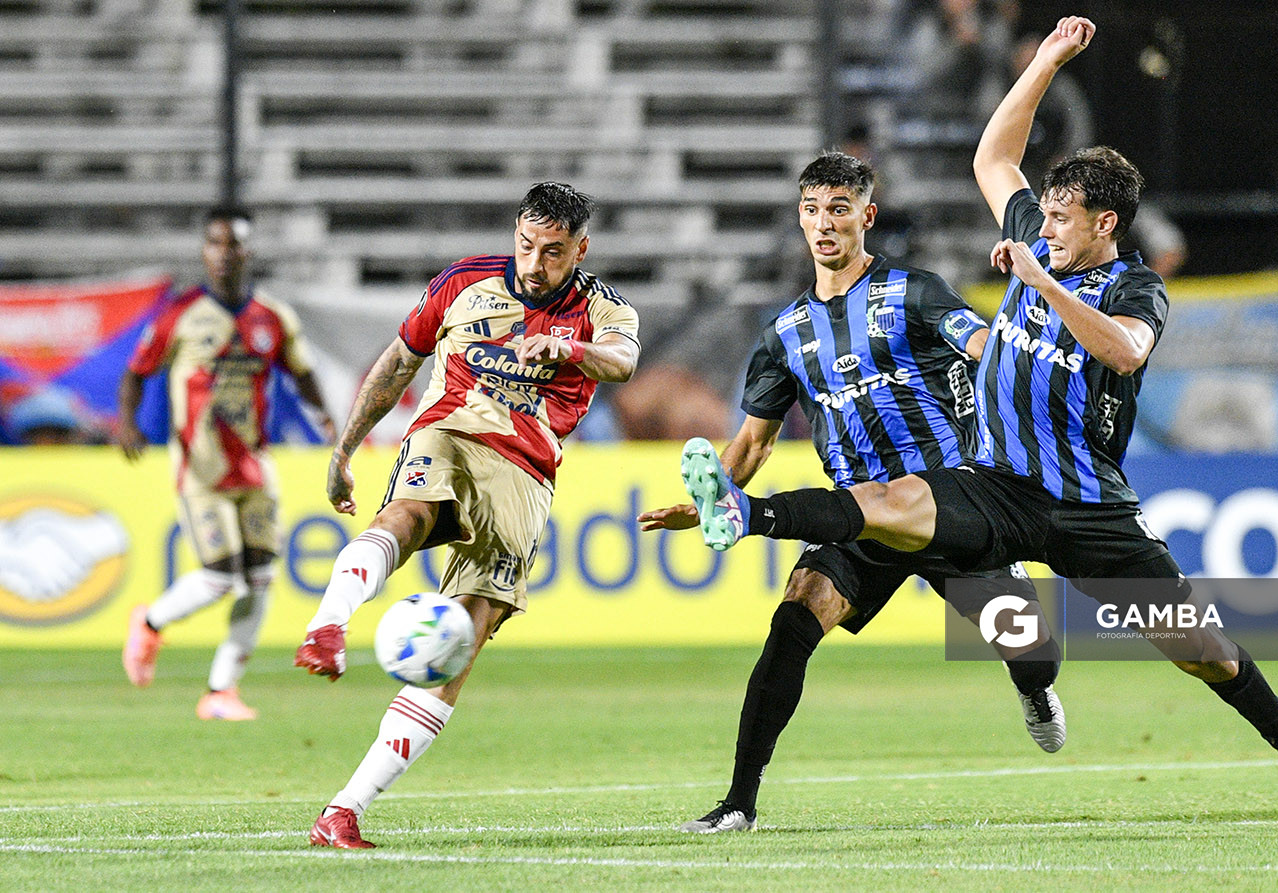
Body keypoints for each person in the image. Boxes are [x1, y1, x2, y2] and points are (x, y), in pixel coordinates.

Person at [676, 18, 1278, 834]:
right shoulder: (1029, 236)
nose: (1041, 226)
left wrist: (1042, 283)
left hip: (1087, 507)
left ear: (1105, 226)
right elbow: (992, 158)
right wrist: (1045, 61)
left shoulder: (1134, 287)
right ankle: (748, 525)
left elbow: (1121, 353)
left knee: (1204, 650)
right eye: (1040, 215)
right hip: (996, 488)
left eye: (1060, 218)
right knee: (885, 501)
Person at [639, 151, 1065, 834]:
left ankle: (1033, 686)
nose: (823, 223)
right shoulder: (785, 334)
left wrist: (1018, 358)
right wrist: (710, 496)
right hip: (860, 515)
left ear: (866, 216)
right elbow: (753, 443)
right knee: (791, 622)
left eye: (838, 208)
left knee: (1033, 654)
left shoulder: (915, 293)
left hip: (947, 503)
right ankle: (739, 802)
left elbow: (982, 344)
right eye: (811, 210)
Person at [294, 182, 640, 849]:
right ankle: (327, 626)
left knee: (467, 635)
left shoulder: (602, 307)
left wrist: (569, 351)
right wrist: (343, 448)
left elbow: (624, 360)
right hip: (448, 430)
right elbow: (399, 362)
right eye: (528, 245)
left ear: (581, 249)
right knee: (410, 512)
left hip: (524, 469)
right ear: (516, 233)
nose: (537, 264)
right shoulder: (464, 283)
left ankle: (343, 809)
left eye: (555, 252)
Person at [118, 205, 335, 721]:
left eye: (234, 243)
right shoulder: (181, 313)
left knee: (260, 578)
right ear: (204, 251)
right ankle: (149, 623)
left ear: (248, 251)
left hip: (256, 466)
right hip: (201, 469)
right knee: (221, 578)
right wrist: (127, 422)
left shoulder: (273, 317)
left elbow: (300, 371)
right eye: (216, 243)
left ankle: (221, 690)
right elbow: (136, 372)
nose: (225, 253)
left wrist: (324, 414)